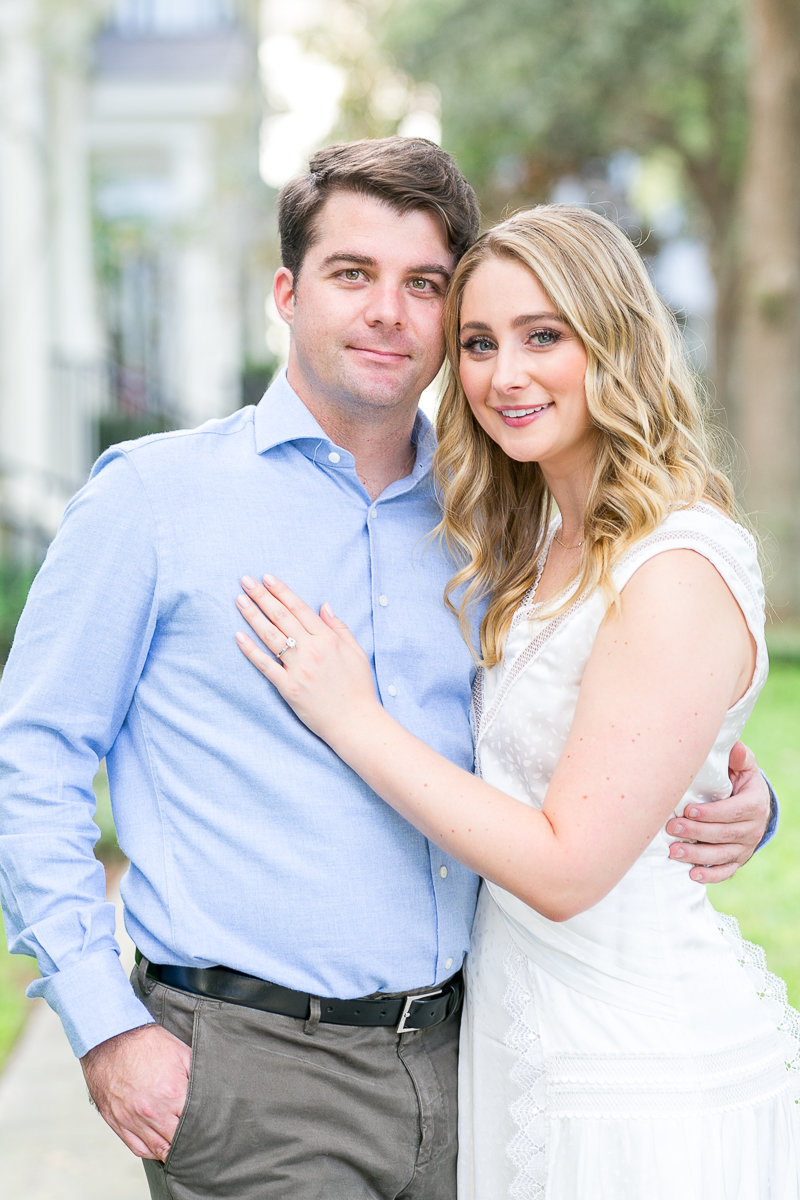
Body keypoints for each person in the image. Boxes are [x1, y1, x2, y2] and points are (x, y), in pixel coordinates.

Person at [0, 142, 775, 1200]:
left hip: (480, 1061)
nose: (387, 313)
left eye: (423, 287)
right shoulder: (153, 500)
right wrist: (102, 1025)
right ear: (285, 291)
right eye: (351, 274)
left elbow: (583, 727)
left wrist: (737, 799)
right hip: (256, 1076)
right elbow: (29, 763)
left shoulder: (492, 521)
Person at [233, 204, 799, 1198]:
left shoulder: (672, 563)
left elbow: (568, 865)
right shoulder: (528, 540)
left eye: (544, 336)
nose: (504, 375)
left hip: (632, 1072)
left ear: (613, 339)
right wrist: (748, 806)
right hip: (519, 1045)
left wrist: (351, 716)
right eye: (479, 344)